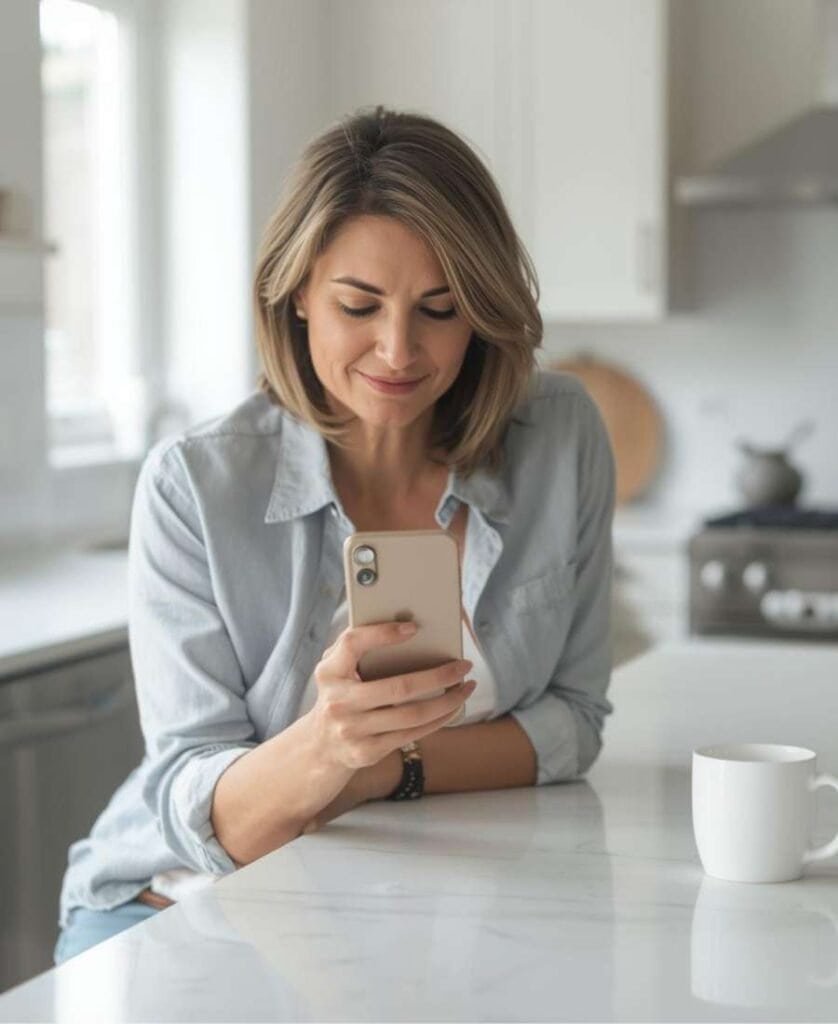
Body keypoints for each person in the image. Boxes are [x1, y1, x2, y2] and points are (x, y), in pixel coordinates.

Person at [54, 104, 615, 964]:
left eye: (440, 308)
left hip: (397, 909)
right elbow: (197, 801)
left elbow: (573, 724)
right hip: (175, 908)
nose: (399, 350)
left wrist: (387, 766)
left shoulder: (560, 434)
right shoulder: (193, 485)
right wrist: (328, 744)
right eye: (360, 304)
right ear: (299, 294)